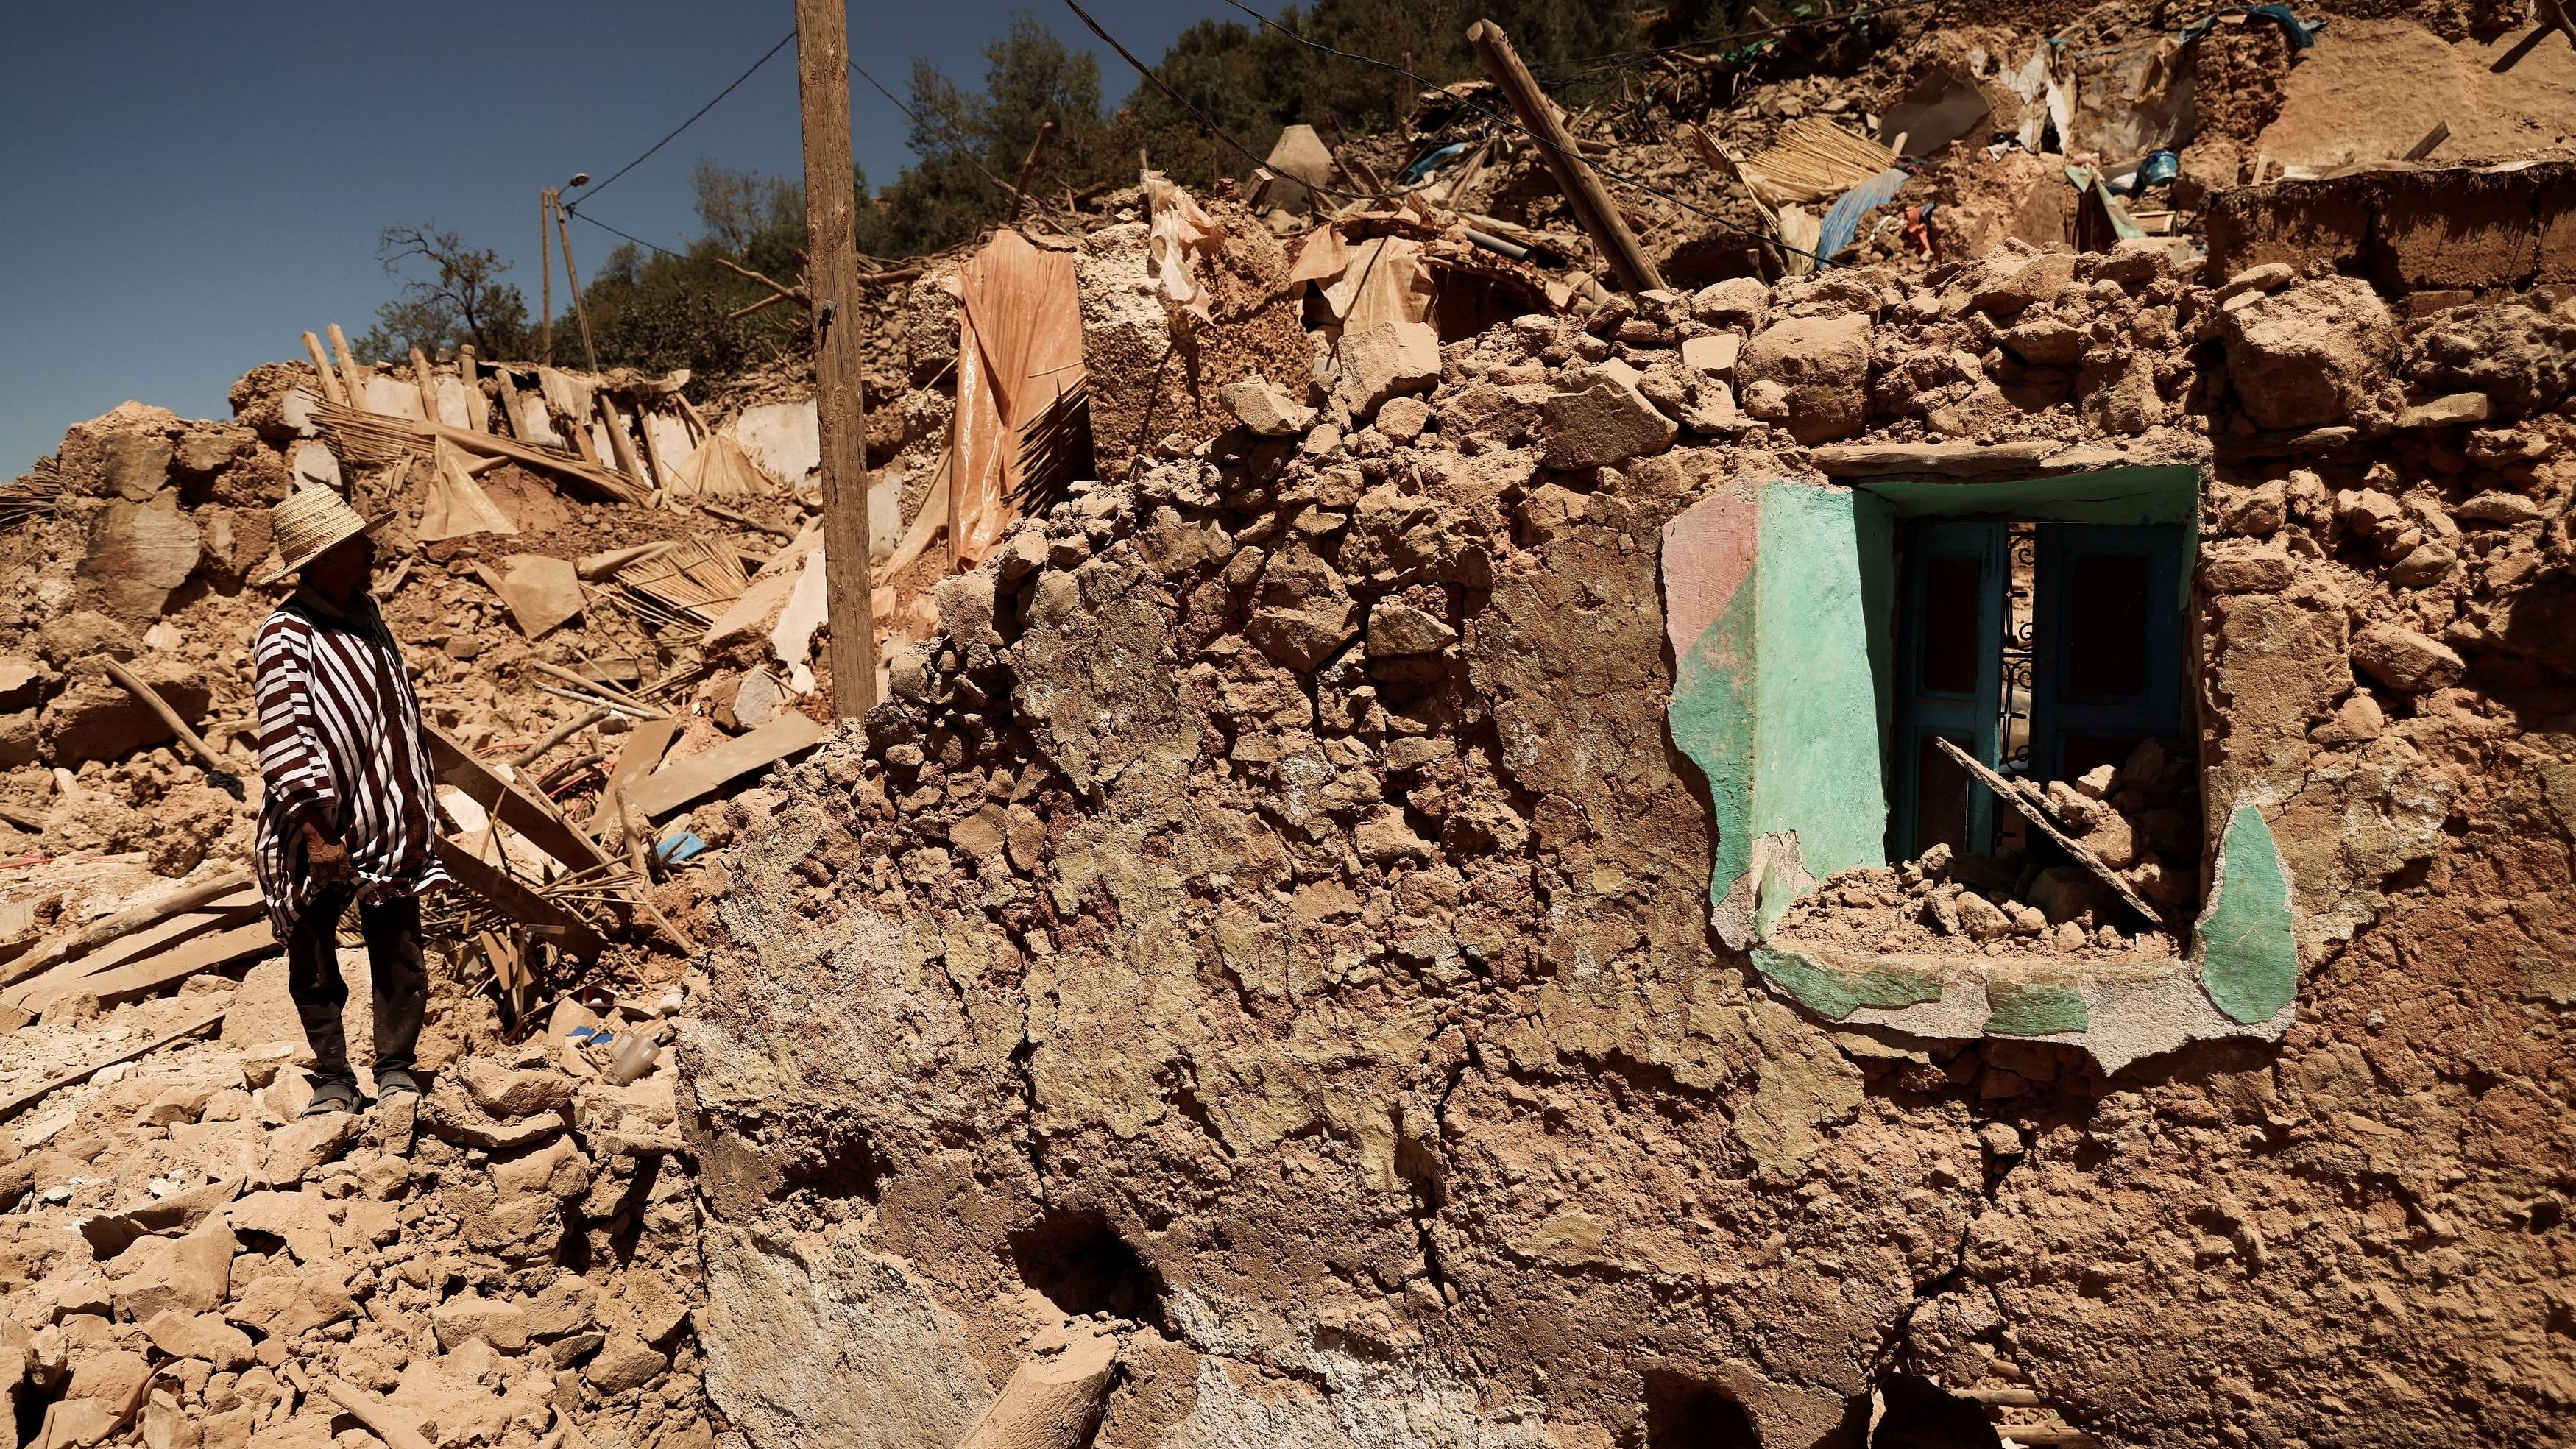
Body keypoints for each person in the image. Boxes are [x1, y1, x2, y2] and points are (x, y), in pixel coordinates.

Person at [250, 488, 449, 1115]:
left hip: (386, 817)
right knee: (314, 949)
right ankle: (334, 1076)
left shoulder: (369, 618)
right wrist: (316, 834)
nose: (372, 550)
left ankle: (395, 1067)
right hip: (323, 828)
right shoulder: (286, 635)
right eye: (358, 543)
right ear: (326, 558)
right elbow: (287, 734)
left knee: (398, 943)